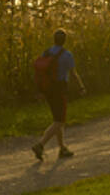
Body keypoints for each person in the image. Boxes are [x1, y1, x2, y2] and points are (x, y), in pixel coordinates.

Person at [32, 28, 84, 161]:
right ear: (65, 41)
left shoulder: (47, 52)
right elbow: (73, 73)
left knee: (58, 119)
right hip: (59, 89)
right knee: (59, 121)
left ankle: (62, 148)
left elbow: (40, 71)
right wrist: (81, 87)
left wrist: (39, 90)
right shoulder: (67, 55)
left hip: (47, 89)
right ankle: (40, 144)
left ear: (54, 40)